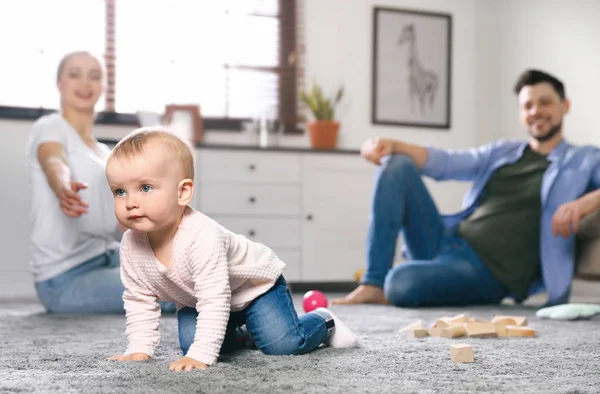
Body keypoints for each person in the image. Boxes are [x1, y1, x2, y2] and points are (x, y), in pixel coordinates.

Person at [333, 69, 600, 308]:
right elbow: (448, 162)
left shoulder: (585, 159)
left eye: (545, 103)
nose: (535, 111)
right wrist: (394, 144)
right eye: (527, 105)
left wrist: (585, 202)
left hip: (491, 271)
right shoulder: (502, 152)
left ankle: (397, 282)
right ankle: (372, 282)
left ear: (564, 106)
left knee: (401, 282)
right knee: (396, 163)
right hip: (448, 240)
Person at [106, 128, 358, 371]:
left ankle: (325, 320)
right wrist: (139, 348)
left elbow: (214, 298)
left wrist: (201, 356)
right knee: (192, 343)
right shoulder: (131, 245)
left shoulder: (202, 235)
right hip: (199, 298)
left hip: (255, 288)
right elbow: (139, 299)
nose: (130, 202)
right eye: (119, 191)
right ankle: (248, 332)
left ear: (183, 192)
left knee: (282, 344)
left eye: (145, 188)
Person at [26, 50, 174, 314]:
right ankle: (231, 326)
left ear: (103, 87)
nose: (85, 83)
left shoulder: (104, 153)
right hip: (63, 279)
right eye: (75, 75)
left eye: (94, 76)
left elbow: (118, 222)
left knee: (183, 267)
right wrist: (62, 187)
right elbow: (53, 161)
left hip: (109, 257)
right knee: (164, 290)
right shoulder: (50, 128)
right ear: (60, 83)